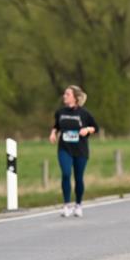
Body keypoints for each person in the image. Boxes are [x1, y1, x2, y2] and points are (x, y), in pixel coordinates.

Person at [49, 85, 99, 217]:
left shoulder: (84, 113)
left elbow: (95, 127)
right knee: (66, 174)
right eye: (64, 94)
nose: (64, 96)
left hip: (80, 150)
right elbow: (57, 125)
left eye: (67, 94)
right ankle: (66, 206)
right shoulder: (60, 112)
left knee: (78, 178)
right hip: (64, 148)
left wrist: (87, 130)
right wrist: (53, 133)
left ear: (75, 98)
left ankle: (78, 205)